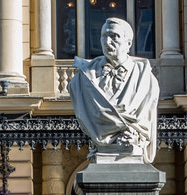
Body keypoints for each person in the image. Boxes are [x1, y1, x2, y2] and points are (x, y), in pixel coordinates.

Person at [68, 17, 159, 163]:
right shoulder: (81, 80)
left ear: (128, 43)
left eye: (114, 36)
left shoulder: (147, 81)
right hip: (102, 147)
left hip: (132, 148)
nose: (107, 42)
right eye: (104, 36)